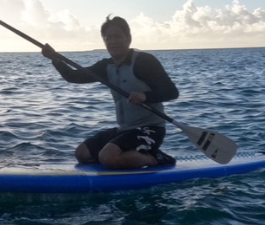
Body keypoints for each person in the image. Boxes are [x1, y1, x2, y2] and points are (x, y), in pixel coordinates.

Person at [41, 15, 179, 169]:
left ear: (128, 38)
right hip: (125, 130)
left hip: (151, 130)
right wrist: (55, 59)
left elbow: (172, 92)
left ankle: (155, 157)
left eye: (118, 36)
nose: (113, 42)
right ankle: (125, 157)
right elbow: (74, 76)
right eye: (108, 38)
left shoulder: (144, 61)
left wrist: (145, 96)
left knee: (107, 157)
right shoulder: (106, 67)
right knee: (82, 154)